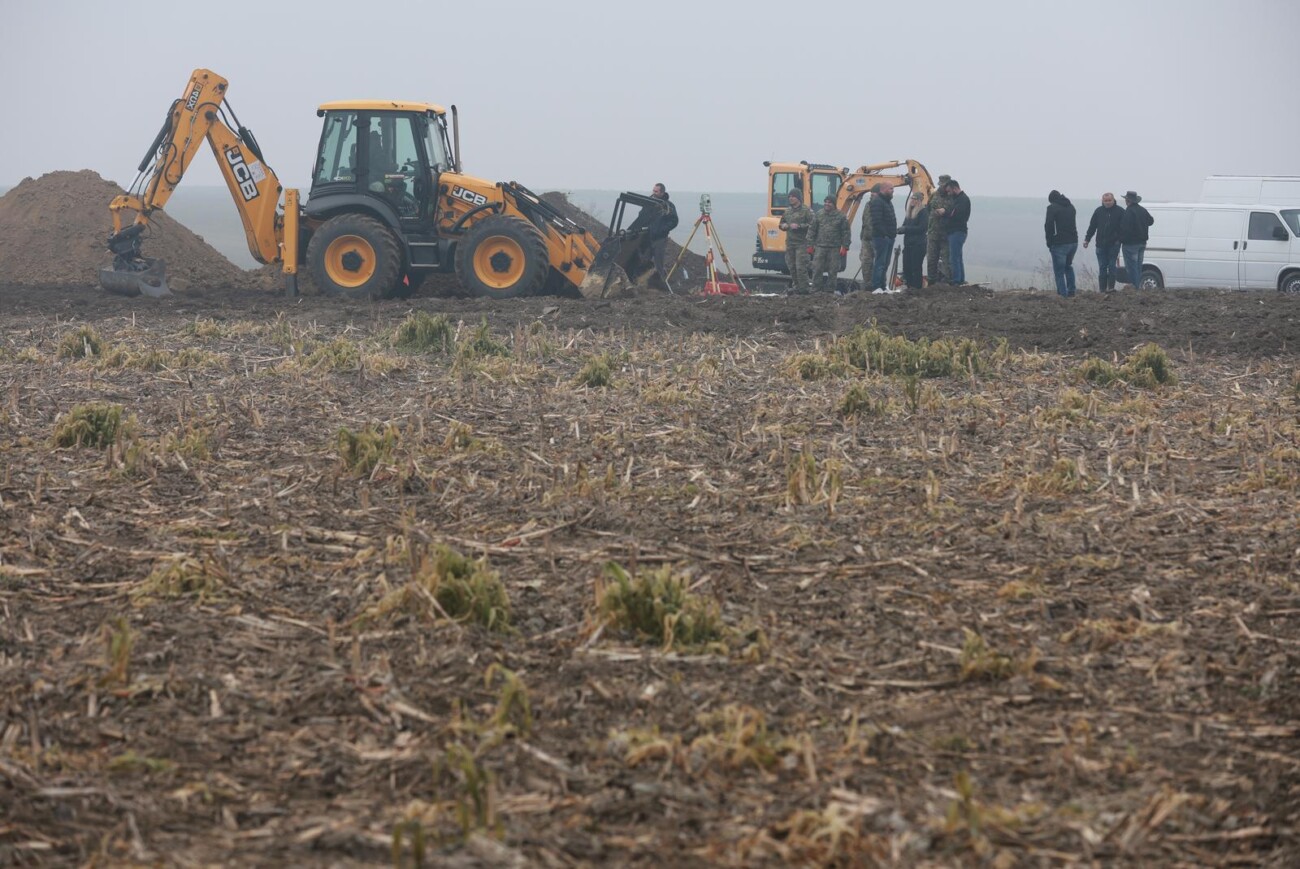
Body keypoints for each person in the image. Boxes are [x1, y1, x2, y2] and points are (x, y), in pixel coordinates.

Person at [627, 183, 679, 274]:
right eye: (653, 190)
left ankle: (660, 283)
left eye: (656, 191)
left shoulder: (668, 206)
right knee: (643, 260)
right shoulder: (649, 203)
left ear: (662, 193)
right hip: (647, 237)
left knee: (658, 262)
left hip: (660, 238)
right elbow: (641, 216)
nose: (654, 193)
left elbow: (674, 221)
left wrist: (662, 230)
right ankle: (640, 282)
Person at [806, 195, 850, 293]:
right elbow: (812, 230)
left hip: (834, 248)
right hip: (820, 247)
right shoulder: (819, 214)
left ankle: (830, 291)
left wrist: (845, 247)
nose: (827, 204)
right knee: (817, 269)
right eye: (825, 202)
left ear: (834, 204)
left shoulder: (841, 216)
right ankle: (816, 289)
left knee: (833, 271)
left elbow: (846, 232)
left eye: (829, 202)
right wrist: (809, 245)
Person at [1083, 192, 1125, 292]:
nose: (1107, 203)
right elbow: (1092, 227)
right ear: (1102, 201)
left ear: (1113, 200)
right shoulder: (1098, 211)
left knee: (1111, 266)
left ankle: (1111, 288)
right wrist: (1087, 239)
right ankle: (1102, 290)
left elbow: (1124, 227)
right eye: (1105, 201)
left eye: (1109, 200)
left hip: (1114, 244)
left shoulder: (1120, 211)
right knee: (1102, 267)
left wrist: (1119, 239)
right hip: (1100, 244)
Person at [779, 189, 815, 294]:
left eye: (793, 196)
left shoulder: (806, 211)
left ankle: (804, 290)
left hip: (802, 244)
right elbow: (781, 223)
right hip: (790, 243)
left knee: (800, 268)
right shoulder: (788, 211)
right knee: (792, 267)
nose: (790, 198)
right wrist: (783, 226)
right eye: (789, 196)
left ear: (798, 198)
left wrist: (799, 226)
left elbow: (813, 225)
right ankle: (796, 288)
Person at [1044, 190, 1078, 297]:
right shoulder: (1071, 207)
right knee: (1068, 266)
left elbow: (1048, 226)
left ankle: (1062, 294)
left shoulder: (1052, 208)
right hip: (1073, 241)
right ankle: (1071, 291)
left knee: (1059, 271)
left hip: (1059, 243)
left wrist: (1049, 242)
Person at [1119, 190, 1154, 289]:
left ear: (1127, 201)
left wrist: (1121, 240)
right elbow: (1151, 221)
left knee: (1131, 268)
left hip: (1130, 244)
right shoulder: (1142, 210)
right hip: (1142, 243)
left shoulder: (1129, 211)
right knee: (1138, 267)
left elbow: (1125, 229)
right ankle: (1138, 287)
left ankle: (1135, 287)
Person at [939, 179, 971, 284]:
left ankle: (956, 280)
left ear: (955, 188)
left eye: (949, 191)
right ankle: (960, 279)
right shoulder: (957, 199)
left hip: (957, 232)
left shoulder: (963, 200)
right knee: (958, 256)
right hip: (954, 232)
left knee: (954, 258)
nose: (948, 194)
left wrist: (944, 212)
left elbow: (955, 214)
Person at [868, 183, 897, 292]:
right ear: (884, 189)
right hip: (881, 238)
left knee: (885, 263)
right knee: (880, 263)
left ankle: (883, 286)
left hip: (889, 238)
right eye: (891, 189)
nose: (893, 191)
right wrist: (884, 235)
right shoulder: (877, 202)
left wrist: (892, 234)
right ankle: (876, 287)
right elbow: (877, 221)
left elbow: (891, 219)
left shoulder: (888, 202)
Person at [898, 190, 929, 290]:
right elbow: (905, 225)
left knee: (916, 267)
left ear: (919, 201)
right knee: (907, 267)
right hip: (908, 244)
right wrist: (900, 230)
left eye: (915, 199)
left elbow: (922, 228)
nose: (912, 201)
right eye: (912, 198)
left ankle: (916, 288)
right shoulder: (909, 212)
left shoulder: (923, 212)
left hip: (918, 245)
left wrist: (906, 229)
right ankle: (908, 286)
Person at [926, 174, 953, 283]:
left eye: (944, 185)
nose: (942, 187)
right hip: (933, 233)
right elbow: (928, 208)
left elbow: (954, 211)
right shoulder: (934, 195)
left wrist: (945, 212)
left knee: (947, 260)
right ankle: (931, 282)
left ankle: (948, 282)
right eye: (941, 185)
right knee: (931, 259)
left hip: (946, 234)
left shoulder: (952, 196)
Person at [858, 188, 875, 288]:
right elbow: (865, 221)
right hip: (865, 238)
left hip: (876, 238)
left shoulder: (882, 205)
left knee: (877, 264)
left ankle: (876, 285)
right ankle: (867, 284)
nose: (871, 196)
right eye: (871, 194)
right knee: (865, 262)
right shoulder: (867, 205)